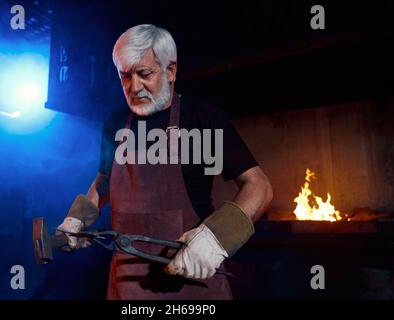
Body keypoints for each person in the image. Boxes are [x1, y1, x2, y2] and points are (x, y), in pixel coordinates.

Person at [57, 24, 273, 299]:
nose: (133, 87)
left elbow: (259, 186)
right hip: (126, 287)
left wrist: (215, 238)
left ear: (171, 71)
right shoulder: (115, 123)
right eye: (125, 75)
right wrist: (77, 219)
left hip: (191, 286)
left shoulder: (202, 118)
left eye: (144, 74)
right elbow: (104, 181)